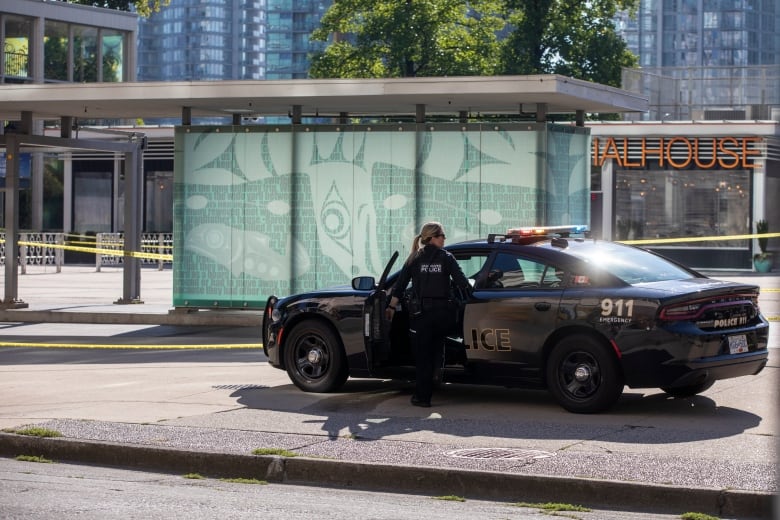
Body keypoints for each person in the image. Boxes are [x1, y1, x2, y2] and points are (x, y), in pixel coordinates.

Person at [385, 222, 471, 408]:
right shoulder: (447, 258)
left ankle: (422, 397)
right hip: (443, 315)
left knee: (423, 356)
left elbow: (399, 286)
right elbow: (463, 283)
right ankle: (438, 377)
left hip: (421, 315)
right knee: (438, 347)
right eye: (442, 236)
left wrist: (391, 308)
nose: (444, 239)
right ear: (433, 237)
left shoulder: (414, 258)